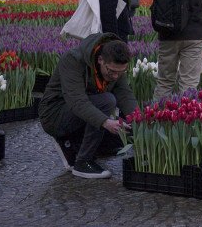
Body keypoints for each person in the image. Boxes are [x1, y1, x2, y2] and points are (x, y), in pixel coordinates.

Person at [39, 33, 138, 179]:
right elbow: (77, 101)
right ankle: (83, 162)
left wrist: (140, 121)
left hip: (85, 110)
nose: (116, 77)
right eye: (112, 71)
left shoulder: (114, 65)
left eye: (121, 72)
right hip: (55, 114)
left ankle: (80, 144)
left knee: (120, 133)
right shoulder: (72, 60)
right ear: (100, 60)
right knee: (108, 100)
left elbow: (125, 95)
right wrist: (105, 122)